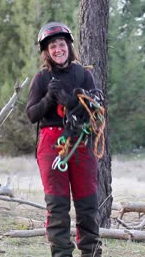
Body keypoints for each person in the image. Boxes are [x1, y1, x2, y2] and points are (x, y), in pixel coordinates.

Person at [26, 21, 102, 257]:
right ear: (46, 52)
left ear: (68, 46)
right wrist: (49, 98)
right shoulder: (41, 79)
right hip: (51, 143)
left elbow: (96, 108)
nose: (58, 49)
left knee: (87, 204)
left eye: (61, 44)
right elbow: (31, 114)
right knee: (57, 206)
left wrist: (71, 101)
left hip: (81, 139)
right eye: (52, 47)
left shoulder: (83, 74)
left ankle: (91, 252)